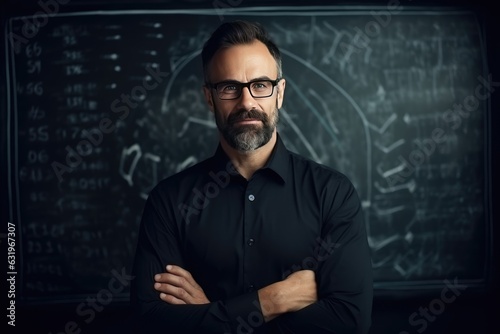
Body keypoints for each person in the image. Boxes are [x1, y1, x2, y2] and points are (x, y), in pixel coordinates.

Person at [130, 20, 373, 334]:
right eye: (229, 87)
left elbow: (351, 323)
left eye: (260, 85)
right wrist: (272, 300)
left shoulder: (332, 194)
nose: (247, 103)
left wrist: (210, 316)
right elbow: (151, 323)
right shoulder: (168, 202)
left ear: (279, 93)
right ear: (209, 97)